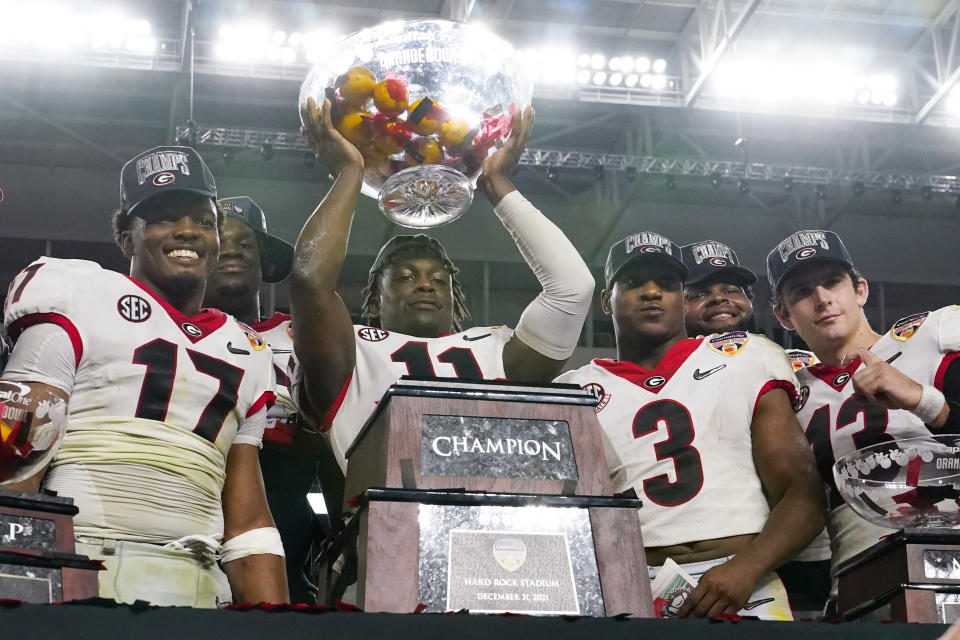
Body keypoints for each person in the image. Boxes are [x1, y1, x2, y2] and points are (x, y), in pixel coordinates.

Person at [1, 146, 288, 607]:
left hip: (197, 582)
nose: (187, 231)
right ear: (127, 238)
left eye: (202, 219)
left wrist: (278, 622)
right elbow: (16, 454)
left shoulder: (249, 350)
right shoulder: (79, 291)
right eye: (162, 217)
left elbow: (247, 520)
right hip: (79, 568)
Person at [290, 97, 595, 474]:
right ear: (373, 297)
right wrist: (349, 172)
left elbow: (573, 289)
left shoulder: (497, 350)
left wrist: (496, 183)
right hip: (384, 521)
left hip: (497, 521)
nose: (424, 285)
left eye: (439, 279)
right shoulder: (348, 351)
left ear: (455, 295)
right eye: (404, 277)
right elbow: (310, 280)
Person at [555, 231, 825, 620]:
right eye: (633, 283)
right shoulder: (573, 388)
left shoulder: (745, 355)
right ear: (605, 302)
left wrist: (744, 570)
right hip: (626, 583)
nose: (651, 293)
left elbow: (803, 495)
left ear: (683, 299)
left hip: (745, 575)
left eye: (665, 284)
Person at [768, 229, 960, 585]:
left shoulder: (931, 337)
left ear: (860, 290)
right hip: (859, 581)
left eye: (832, 282)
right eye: (802, 292)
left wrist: (926, 401)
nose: (823, 299)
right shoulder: (786, 392)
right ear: (783, 316)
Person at [681, 239, 831, 613]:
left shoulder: (797, 362)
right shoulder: (665, 381)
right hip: (732, 552)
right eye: (700, 293)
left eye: (731, 289)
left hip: (810, 548)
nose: (720, 299)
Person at [201, 196, 321, 604]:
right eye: (220, 240)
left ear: (266, 264)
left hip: (282, 499)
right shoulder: (168, 332)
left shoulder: (298, 335)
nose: (231, 250)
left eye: (245, 243)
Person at [681, 240, 758, 337]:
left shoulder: (774, 351)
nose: (718, 298)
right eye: (700, 295)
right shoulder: (670, 352)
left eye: (730, 291)